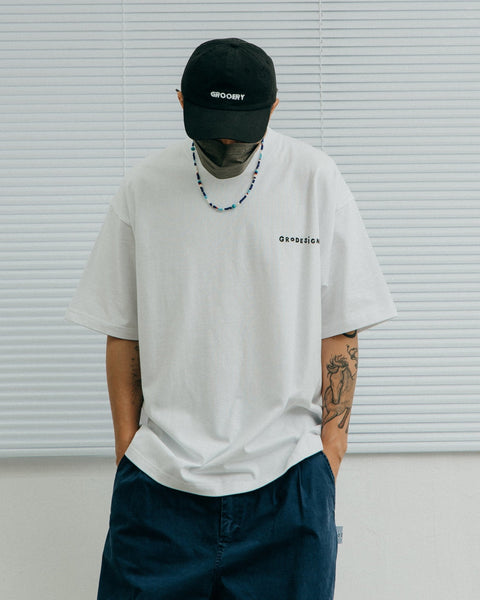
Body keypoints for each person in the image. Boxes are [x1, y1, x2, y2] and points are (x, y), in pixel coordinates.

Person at [66, 38, 396, 600]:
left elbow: (341, 328)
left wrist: (329, 455)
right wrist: (127, 452)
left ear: (273, 109)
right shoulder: (143, 188)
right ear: (180, 103)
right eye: (213, 127)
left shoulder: (316, 180)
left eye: (241, 130)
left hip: (287, 484)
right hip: (160, 488)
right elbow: (123, 332)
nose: (225, 142)